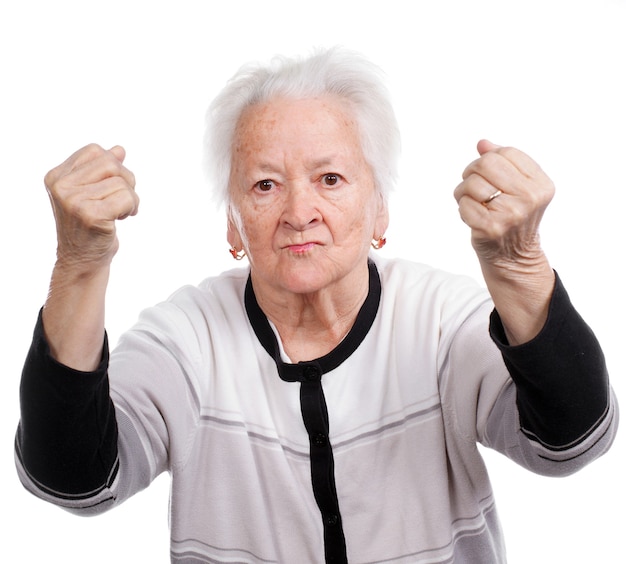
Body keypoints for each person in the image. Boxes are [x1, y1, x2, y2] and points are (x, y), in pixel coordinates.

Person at [15, 47, 618, 564]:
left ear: (380, 210)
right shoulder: (185, 339)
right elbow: (73, 481)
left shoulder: (440, 320)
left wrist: (519, 267)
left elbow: (571, 442)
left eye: (330, 179)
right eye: (265, 184)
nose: (299, 212)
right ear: (233, 224)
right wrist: (80, 264)